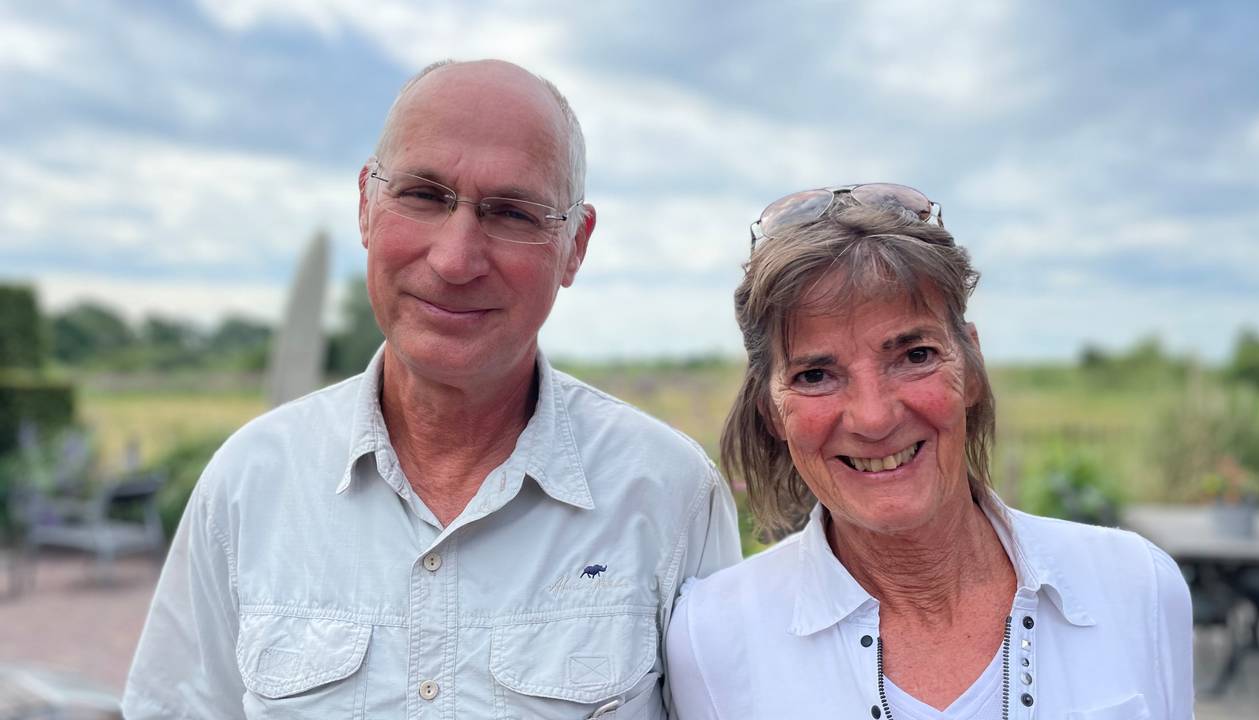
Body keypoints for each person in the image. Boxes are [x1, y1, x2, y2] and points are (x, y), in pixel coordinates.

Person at [123, 59, 741, 719]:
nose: (454, 259)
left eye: (512, 212)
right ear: (366, 204)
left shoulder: (668, 494)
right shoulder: (252, 482)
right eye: (423, 195)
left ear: (575, 246)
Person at [666, 185, 1193, 719]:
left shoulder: (1137, 586)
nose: (874, 418)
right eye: (816, 375)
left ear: (970, 368)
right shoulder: (711, 639)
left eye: (915, 355)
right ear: (772, 410)